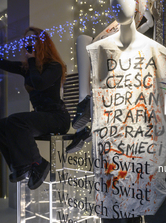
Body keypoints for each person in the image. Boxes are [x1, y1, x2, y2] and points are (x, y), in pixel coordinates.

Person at [86, 0, 166, 223]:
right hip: (112, 149)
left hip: (147, 149)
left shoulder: (155, 50)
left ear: (140, 6)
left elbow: (164, 105)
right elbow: (96, 102)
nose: (119, 3)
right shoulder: (100, 48)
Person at [0, 27, 70, 190]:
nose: (28, 43)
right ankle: (19, 166)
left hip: (57, 118)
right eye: (26, 41)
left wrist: (32, 60)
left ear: (41, 42)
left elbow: (39, 84)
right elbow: (2, 63)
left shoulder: (54, 66)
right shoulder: (27, 68)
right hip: (42, 117)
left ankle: (38, 163)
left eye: (32, 40)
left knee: (16, 121)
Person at [65, 0, 155, 153]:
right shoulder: (125, 16)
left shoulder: (141, 7)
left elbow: (148, 22)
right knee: (83, 40)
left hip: (121, 49)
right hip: (112, 47)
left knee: (90, 45)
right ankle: (84, 105)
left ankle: (84, 114)